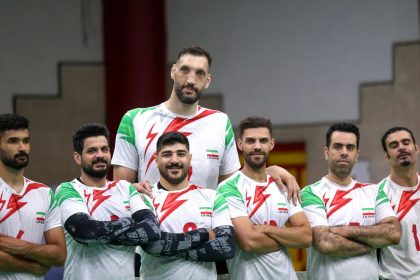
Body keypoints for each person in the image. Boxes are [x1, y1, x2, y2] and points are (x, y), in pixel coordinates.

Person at [112, 45, 299, 199]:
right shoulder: (135, 119)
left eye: (200, 73)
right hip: (153, 236)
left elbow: (233, 188)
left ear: (208, 81)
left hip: (205, 236)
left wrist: (267, 172)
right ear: (173, 71)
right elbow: (121, 190)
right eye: (185, 70)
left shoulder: (220, 122)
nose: (191, 79)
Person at [54, 123, 161, 279]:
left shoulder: (125, 188)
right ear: (78, 157)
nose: (100, 155)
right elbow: (85, 232)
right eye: (91, 151)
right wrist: (128, 222)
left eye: (104, 149)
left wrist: (101, 234)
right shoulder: (68, 189)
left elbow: (151, 230)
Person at [301, 123, 401, 280]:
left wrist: (342, 231)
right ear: (326, 152)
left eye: (350, 147)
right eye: (338, 147)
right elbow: (325, 242)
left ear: (357, 154)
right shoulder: (310, 192)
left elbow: (393, 233)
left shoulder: (374, 192)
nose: (344, 152)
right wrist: (374, 243)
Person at [217, 116, 311, 279]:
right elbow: (248, 241)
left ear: (271, 144)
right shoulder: (229, 187)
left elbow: (306, 236)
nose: (257, 146)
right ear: (240, 145)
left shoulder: (283, 185)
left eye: (263, 140)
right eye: (250, 141)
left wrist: (265, 229)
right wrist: (289, 237)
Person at [139, 131, 236, 280]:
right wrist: (203, 234)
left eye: (181, 154)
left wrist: (168, 247)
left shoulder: (213, 197)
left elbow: (226, 248)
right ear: (156, 160)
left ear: (189, 159)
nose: (174, 160)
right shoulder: (144, 199)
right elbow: (152, 245)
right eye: (167, 154)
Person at [0, 114, 66, 279]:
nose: (22, 148)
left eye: (26, 141)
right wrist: (30, 266)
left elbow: (59, 255)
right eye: (13, 141)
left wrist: (23, 247)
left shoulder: (44, 193)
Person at [378, 127, 420, 279]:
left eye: (406, 142)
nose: (401, 147)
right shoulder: (378, 195)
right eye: (394, 145)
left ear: (416, 148)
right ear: (386, 156)